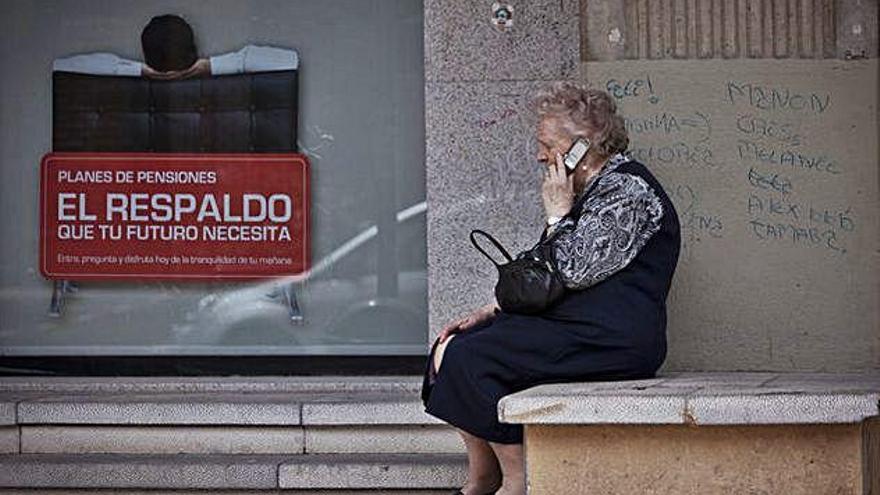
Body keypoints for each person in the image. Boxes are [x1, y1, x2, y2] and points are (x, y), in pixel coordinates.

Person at [420, 82, 681, 495]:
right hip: (574, 327)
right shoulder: (585, 191)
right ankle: (483, 476)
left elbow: (573, 271)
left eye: (547, 144)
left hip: (613, 339)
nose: (540, 155)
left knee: (473, 356)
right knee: (450, 345)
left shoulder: (628, 191)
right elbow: (541, 276)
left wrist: (558, 215)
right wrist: (492, 310)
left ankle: (518, 479)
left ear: (582, 146)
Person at [52, 14, 298, 79]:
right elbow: (288, 59)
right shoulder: (206, 68)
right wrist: (210, 67)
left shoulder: (136, 73)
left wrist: (138, 71)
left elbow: (64, 66)